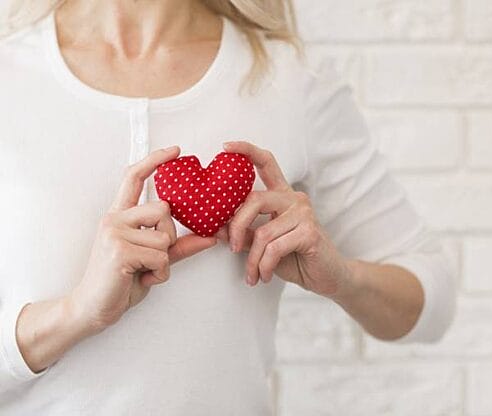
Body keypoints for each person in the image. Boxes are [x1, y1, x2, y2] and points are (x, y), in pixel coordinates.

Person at [0, 0, 457, 414]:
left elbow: (431, 303)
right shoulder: (10, 74)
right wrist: (74, 314)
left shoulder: (289, 78)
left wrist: (342, 278)